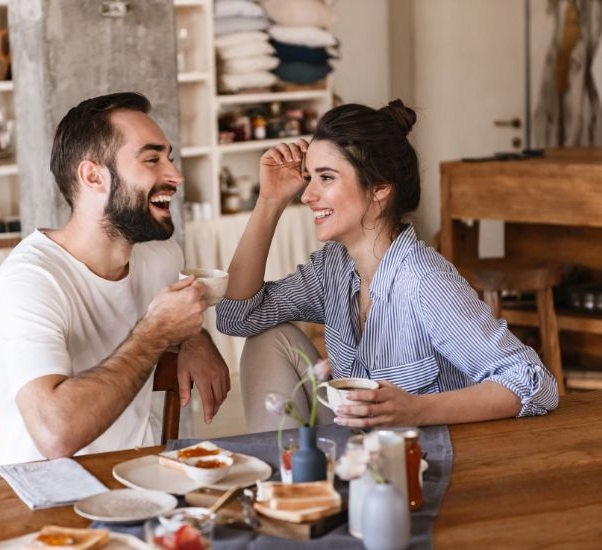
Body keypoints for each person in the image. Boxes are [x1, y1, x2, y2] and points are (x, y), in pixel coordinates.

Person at [216, 99, 559, 432]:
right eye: (309, 177)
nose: (307, 195)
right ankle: (291, 489)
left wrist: (416, 410)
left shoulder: (425, 282)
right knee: (268, 337)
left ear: (379, 188)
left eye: (326, 177)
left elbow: (535, 382)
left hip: (428, 461)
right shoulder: (332, 269)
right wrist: (269, 200)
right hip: (360, 453)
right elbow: (236, 317)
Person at [0, 92, 230, 465]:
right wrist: (156, 333)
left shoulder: (163, 257)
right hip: (48, 498)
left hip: (138, 481)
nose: (175, 176)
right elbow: (55, 433)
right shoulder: (30, 280)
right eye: (152, 159)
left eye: (170, 158)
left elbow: (175, 321)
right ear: (93, 176)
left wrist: (196, 339)